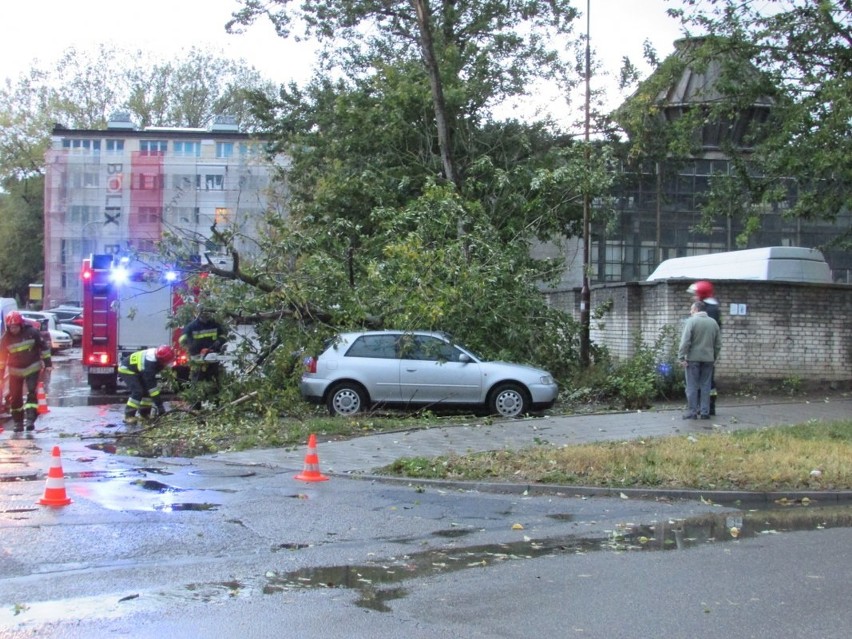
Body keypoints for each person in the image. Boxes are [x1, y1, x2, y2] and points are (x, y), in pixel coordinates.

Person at [0, 311, 52, 432]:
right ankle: (18, 423)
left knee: (32, 393)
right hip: (15, 371)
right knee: (15, 398)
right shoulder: (5, 339)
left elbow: (44, 347)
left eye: (15, 326)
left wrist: (48, 364)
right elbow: (1, 360)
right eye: (11, 327)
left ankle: (30, 419)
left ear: (21, 325)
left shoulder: (32, 333)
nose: (13, 329)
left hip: (32, 368)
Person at [678, 301, 721, 420]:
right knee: (706, 386)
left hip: (692, 359)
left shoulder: (691, 322)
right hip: (708, 359)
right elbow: (718, 344)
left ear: (696, 309)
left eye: (691, 310)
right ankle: (704, 412)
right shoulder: (713, 323)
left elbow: (685, 341)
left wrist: (681, 357)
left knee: (691, 386)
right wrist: (714, 356)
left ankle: (692, 412)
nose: (690, 312)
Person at [179, 304, 228, 403]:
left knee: (215, 383)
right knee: (197, 382)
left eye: (207, 314)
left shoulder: (215, 324)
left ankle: (216, 405)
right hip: (197, 359)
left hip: (212, 358)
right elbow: (182, 340)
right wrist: (195, 347)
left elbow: (223, 336)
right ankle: (196, 407)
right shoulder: (191, 327)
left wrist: (217, 343)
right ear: (198, 314)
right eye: (204, 314)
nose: (206, 316)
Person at [687, 280, 722, 414]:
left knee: (701, 383)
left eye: (696, 294)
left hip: (700, 355)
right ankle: (707, 408)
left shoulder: (707, 309)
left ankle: (703, 408)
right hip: (709, 354)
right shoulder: (714, 307)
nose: (694, 297)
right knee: (708, 382)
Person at [118, 345, 175, 425]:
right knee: (138, 391)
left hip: (138, 371)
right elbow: (151, 387)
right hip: (127, 369)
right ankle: (129, 416)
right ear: (161, 360)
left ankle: (144, 414)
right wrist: (160, 406)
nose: (166, 364)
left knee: (147, 392)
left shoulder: (158, 355)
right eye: (166, 362)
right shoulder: (149, 364)